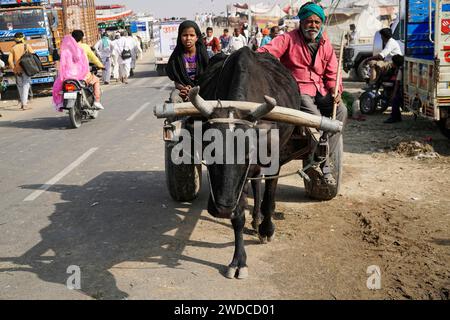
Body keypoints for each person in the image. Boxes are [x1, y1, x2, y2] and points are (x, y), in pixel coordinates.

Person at [257, 2, 348, 185]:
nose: (312, 25)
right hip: (297, 92)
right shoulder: (288, 39)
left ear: (321, 23)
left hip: (321, 90)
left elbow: (332, 71)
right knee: (317, 119)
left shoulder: (325, 42)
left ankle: (321, 156)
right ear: (301, 21)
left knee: (341, 112)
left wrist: (336, 90)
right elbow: (264, 53)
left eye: (316, 22)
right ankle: (325, 166)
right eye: (309, 21)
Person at [166, 20, 209, 103]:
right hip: (182, 91)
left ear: (197, 37)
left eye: (192, 35)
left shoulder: (203, 56)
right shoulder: (176, 57)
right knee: (174, 99)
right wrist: (184, 89)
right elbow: (176, 81)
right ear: (180, 37)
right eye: (185, 35)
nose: (188, 38)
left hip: (202, 89)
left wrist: (195, 90)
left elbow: (208, 77)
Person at [71, 30, 105, 110]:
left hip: (69, 75)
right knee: (96, 80)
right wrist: (101, 66)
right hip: (82, 74)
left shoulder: (68, 47)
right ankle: (97, 101)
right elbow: (94, 58)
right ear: (82, 38)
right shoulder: (85, 47)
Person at [8, 33, 34, 110]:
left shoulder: (13, 48)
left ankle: (23, 104)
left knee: (20, 86)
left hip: (17, 70)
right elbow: (33, 55)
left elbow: (9, 60)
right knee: (26, 86)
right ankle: (24, 104)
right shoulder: (27, 46)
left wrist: (14, 69)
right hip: (26, 69)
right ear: (23, 38)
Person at [384, 54, 404, 123]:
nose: (392, 63)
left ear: (395, 64)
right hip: (401, 89)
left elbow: (397, 83)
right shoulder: (399, 69)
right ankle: (398, 117)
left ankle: (394, 117)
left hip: (400, 90)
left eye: (393, 62)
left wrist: (393, 94)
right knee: (396, 102)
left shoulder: (400, 70)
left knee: (395, 101)